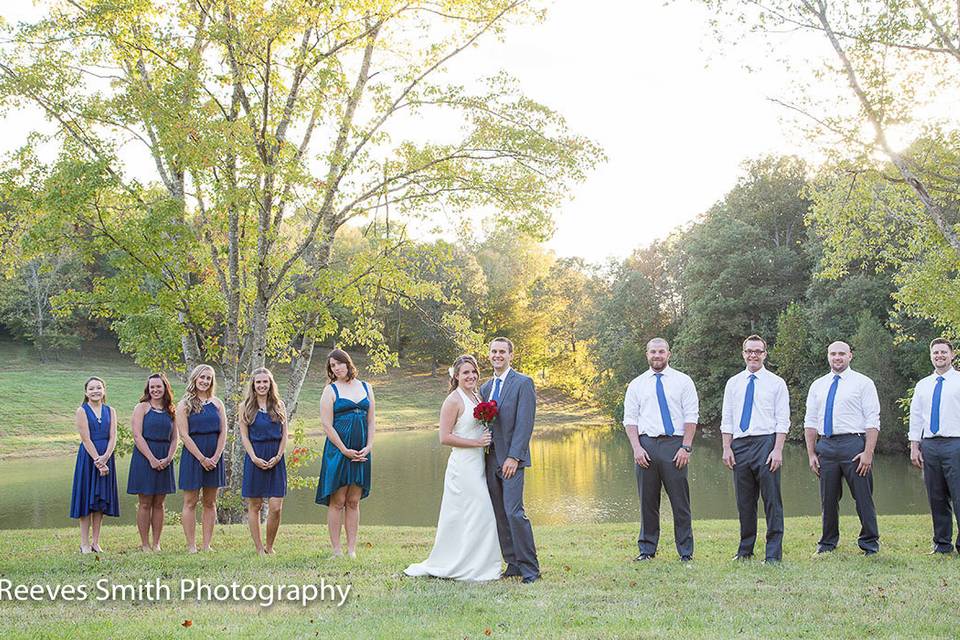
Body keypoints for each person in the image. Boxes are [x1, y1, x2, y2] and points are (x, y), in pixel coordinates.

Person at [405, 355, 500, 580]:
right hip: (463, 466)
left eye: (473, 371)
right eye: (465, 372)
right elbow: (444, 437)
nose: (471, 376)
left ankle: (479, 563)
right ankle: (466, 565)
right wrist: (477, 443)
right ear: (456, 376)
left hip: (479, 462)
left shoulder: (478, 396)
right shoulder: (453, 401)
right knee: (480, 512)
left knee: (474, 515)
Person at [623, 337, 699, 562]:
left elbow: (691, 416)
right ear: (647, 354)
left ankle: (685, 552)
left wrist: (686, 447)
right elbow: (630, 419)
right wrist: (636, 448)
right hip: (646, 445)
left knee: (680, 502)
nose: (657, 355)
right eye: (653, 352)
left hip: (675, 445)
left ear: (669, 354)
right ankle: (647, 550)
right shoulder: (637, 384)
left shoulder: (683, 381)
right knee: (647, 501)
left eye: (661, 352)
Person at [804, 341, 881, 555]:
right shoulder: (818, 385)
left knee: (863, 497)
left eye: (841, 354)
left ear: (850, 356)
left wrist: (868, 452)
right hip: (826, 446)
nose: (837, 357)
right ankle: (827, 543)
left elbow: (872, 420)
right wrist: (811, 453)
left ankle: (869, 543)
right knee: (828, 498)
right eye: (833, 354)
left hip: (854, 445)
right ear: (828, 356)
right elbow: (810, 422)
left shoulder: (863, 383)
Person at [720, 335, 789, 562]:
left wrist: (777, 450)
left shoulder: (776, 383)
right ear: (743, 353)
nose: (753, 355)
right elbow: (727, 418)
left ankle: (773, 554)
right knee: (745, 502)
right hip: (739, 445)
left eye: (758, 351)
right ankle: (745, 551)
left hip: (766, 443)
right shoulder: (733, 383)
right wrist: (726, 448)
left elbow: (783, 420)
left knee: (771, 501)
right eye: (749, 351)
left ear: (765, 354)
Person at [480, 337, 541, 583]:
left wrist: (514, 457)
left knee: (514, 512)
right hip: (489, 459)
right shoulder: (485, 388)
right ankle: (513, 563)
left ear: (511, 355)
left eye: (502, 352)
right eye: (494, 351)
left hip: (511, 460)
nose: (497, 355)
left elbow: (525, 424)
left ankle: (530, 569)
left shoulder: (523, 383)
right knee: (499, 513)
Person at [316, 349, 375, 558]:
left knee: (353, 501)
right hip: (338, 450)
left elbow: (371, 421)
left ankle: (351, 550)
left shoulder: (366, 387)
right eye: (332, 365)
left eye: (339, 363)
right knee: (338, 501)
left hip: (361, 450)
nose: (337, 368)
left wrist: (368, 446)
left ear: (348, 363)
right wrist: (343, 450)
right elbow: (326, 424)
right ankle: (337, 550)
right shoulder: (330, 391)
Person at [909, 337, 960, 554]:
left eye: (943, 352)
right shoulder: (923, 385)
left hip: (955, 444)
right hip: (930, 445)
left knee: (958, 496)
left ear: (952, 355)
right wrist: (914, 445)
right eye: (935, 353)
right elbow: (917, 416)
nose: (939, 356)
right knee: (936, 497)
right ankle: (942, 544)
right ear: (931, 356)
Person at [177, 364, 227, 553]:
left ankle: (207, 545)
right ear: (195, 379)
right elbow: (184, 435)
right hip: (193, 456)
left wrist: (215, 456)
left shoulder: (217, 403)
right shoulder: (184, 404)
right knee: (190, 501)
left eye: (208, 378)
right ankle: (191, 545)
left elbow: (224, 431)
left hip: (214, 456)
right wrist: (202, 458)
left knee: (210, 502)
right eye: (202, 377)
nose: (205, 381)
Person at [239, 367, 288, 556]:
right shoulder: (245, 407)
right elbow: (244, 437)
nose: (261, 385)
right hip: (255, 456)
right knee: (255, 505)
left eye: (265, 382)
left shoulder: (279, 405)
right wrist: (254, 458)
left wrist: (278, 455)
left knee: (276, 507)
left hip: (276, 457)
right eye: (258, 382)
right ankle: (259, 548)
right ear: (253, 384)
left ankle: (269, 546)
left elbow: (285, 435)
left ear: (270, 384)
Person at [127, 373, 178, 552]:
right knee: (145, 502)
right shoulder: (142, 408)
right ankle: (145, 543)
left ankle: (156, 543)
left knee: (159, 503)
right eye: (152, 387)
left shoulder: (171, 410)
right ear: (148, 389)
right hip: (144, 458)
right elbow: (137, 436)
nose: (155, 390)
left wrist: (169, 458)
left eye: (159, 386)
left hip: (164, 458)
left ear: (165, 388)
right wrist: (151, 459)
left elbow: (175, 438)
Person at [70, 376, 120, 554]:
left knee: (100, 501)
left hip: (107, 457)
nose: (95, 391)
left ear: (104, 390)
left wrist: (106, 457)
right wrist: (98, 461)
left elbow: (113, 436)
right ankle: (84, 543)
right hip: (89, 459)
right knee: (86, 500)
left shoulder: (111, 411)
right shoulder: (82, 411)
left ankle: (95, 542)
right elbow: (85, 439)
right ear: (86, 392)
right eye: (91, 388)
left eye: (99, 387)